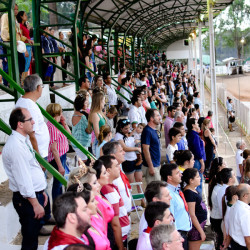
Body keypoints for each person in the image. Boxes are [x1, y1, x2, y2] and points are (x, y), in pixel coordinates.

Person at [2, 108, 47, 250]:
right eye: (30, 120)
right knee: (30, 241)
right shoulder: (16, 146)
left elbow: (31, 170)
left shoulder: (23, 140)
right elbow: (23, 179)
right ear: (20, 124)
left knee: (32, 237)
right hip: (26, 200)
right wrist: (35, 203)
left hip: (32, 196)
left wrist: (41, 191)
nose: (33, 122)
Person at [15, 74, 50, 159]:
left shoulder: (22, 100)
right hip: (37, 154)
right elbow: (32, 134)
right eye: (42, 86)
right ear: (38, 87)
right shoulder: (30, 106)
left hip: (33, 152)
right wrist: (39, 159)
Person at [100, 155, 130, 248]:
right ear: (108, 170)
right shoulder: (108, 191)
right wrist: (120, 247)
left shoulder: (110, 187)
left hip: (122, 236)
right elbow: (115, 224)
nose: (119, 168)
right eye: (116, 166)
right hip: (118, 240)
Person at [160, 163, 192, 250]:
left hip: (182, 234)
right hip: (178, 235)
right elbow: (170, 220)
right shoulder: (168, 194)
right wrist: (176, 238)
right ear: (169, 177)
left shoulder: (176, 189)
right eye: (177, 173)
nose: (181, 174)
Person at [46, 103, 71, 201]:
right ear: (58, 112)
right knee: (58, 183)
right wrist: (60, 166)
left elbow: (69, 135)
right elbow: (53, 148)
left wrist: (64, 122)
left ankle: (60, 203)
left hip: (62, 155)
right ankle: (58, 205)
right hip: (58, 157)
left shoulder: (57, 124)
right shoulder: (52, 127)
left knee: (59, 182)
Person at [102, 141, 132, 215]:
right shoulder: (110, 174)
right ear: (113, 155)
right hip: (119, 218)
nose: (124, 153)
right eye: (121, 151)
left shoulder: (119, 168)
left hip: (125, 215)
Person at [182, 168, 207, 250]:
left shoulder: (192, 190)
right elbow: (192, 215)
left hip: (199, 226)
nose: (200, 178)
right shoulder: (189, 193)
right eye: (197, 177)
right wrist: (201, 232)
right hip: (196, 229)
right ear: (191, 180)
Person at [115, 119, 142, 184]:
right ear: (121, 128)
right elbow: (125, 148)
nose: (128, 130)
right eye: (126, 128)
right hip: (128, 161)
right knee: (131, 183)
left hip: (137, 159)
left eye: (129, 128)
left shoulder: (129, 133)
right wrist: (137, 149)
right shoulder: (118, 135)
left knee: (139, 180)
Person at [225, 184, 250, 250]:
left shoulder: (234, 206)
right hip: (243, 247)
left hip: (234, 244)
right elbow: (248, 240)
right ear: (245, 195)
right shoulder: (245, 212)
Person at [142, 109, 162, 185]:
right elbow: (145, 150)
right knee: (155, 191)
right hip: (152, 166)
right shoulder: (147, 131)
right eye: (157, 116)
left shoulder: (153, 130)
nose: (160, 117)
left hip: (156, 164)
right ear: (151, 118)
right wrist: (151, 167)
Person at [187, 118, 205, 196]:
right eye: (196, 123)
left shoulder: (191, 134)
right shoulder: (195, 136)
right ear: (193, 125)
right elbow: (197, 150)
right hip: (197, 160)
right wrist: (202, 162)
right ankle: (199, 198)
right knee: (198, 180)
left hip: (195, 159)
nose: (198, 125)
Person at [72, 93, 92, 161]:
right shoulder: (82, 117)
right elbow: (88, 130)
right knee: (83, 162)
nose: (87, 104)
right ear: (81, 104)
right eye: (86, 103)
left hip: (76, 141)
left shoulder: (75, 114)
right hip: (82, 143)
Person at [87, 91, 106, 155]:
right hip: (100, 143)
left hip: (103, 141)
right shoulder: (95, 115)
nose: (104, 103)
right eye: (103, 101)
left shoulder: (99, 113)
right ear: (99, 102)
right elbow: (97, 133)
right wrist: (103, 144)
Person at [16, 11, 32, 83]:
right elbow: (20, 38)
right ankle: (22, 82)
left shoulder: (24, 25)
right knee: (24, 64)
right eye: (25, 15)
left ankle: (23, 81)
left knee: (27, 64)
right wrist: (25, 49)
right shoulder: (20, 26)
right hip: (23, 47)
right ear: (21, 17)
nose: (26, 16)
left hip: (28, 46)